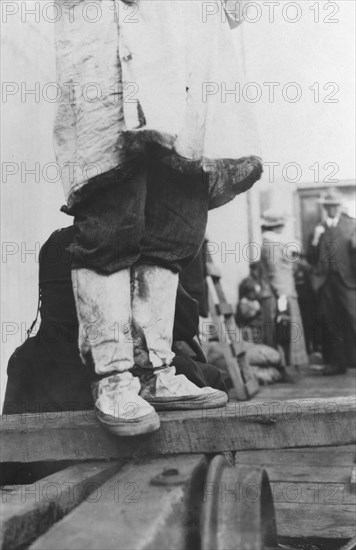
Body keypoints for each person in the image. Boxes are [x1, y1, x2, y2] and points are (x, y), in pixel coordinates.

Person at [52, 0, 262, 435]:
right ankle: (113, 379)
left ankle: (156, 370)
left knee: (175, 211)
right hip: (112, 31)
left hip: (186, 39)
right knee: (113, 206)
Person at [3, 227, 226, 416]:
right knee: (211, 377)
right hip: (113, 371)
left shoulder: (57, 241)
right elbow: (185, 325)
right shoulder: (129, 244)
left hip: (54, 364)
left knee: (22, 363)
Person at [307, 188, 356, 375]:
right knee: (329, 321)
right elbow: (310, 256)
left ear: (340, 206)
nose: (332, 209)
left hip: (348, 280)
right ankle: (337, 363)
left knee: (353, 318)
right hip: (325, 281)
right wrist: (315, 238)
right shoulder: (317, 228)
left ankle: (353, 359)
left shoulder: (351, 225)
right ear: (325, 208)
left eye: (335, 205)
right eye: (329, 206)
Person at [260, 210, 309, 368]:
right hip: (279, 295)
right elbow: (275, 274)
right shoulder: (271, 245)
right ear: (276, 227)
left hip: (282, 292)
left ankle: (286, 365)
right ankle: (283, 366)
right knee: (283, 331)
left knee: (284, 331)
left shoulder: (274, 243)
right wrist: (282, 298)